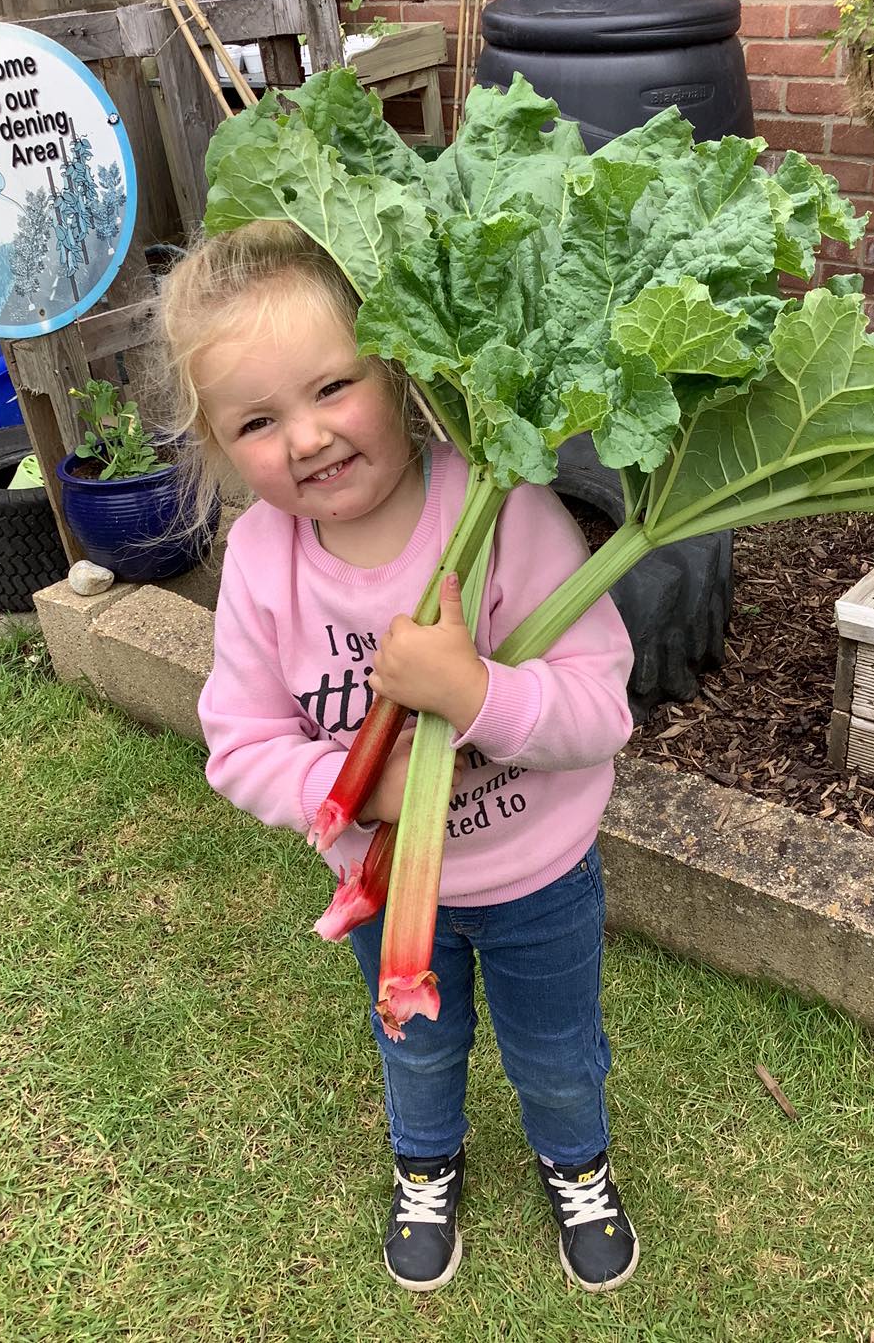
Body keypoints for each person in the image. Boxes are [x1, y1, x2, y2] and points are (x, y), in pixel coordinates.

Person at [159, 220, 639, 1294]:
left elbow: (600, 708)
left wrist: (473, 693)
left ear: (397, 363)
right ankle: (426, 1164)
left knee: (557, 1050)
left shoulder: (500, 506)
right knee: (415, 1048)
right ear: (220, 446)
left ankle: (578, 1161)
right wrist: (349, 790)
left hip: (539, 879)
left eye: (332, 387)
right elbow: (238, 743)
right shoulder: (260, 561)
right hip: (384, 897)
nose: (308, 437)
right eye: (257, 420)